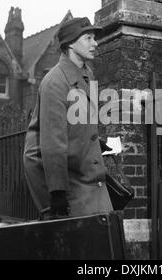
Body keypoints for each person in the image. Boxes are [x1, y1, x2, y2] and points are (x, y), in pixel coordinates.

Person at [23, 17, 113, 220]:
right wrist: (57, 193)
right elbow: (53, 143)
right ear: (71, 43)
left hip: (90, 180)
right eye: (88, 38)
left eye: (94, 38)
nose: (95, 43)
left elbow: (77, 122)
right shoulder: (55, 82)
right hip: (71, 188)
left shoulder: (86, 75)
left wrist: (93, 142)